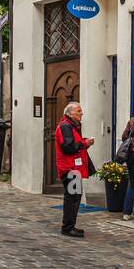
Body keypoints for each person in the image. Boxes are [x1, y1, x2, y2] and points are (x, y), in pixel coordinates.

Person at [54, 101, 94, 238]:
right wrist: (85, 143)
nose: (81, 113)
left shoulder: (70, 126)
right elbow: (68, 147)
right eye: (78, 111)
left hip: (72, 168)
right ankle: (67, 228)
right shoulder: (66, 126)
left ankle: (69, 226)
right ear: (70, 113)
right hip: (70, 168)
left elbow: (72, 144)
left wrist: (83, 144)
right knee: (73, 198)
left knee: (74, 197)